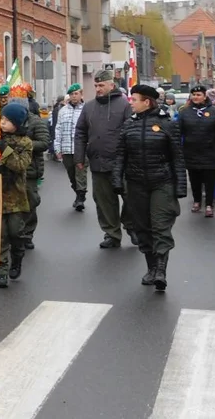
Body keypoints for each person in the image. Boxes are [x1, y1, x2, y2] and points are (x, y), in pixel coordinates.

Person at [112, 85, 187, 292]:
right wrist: (117, 180)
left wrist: (180, 186)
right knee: (142, 227)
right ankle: (151, 267)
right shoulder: (128, 125)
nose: (131, 103)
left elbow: (177, 158)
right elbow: (120, 155)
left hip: (162, 183)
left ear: (147, 102)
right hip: (136, 184)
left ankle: (161, 271)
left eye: (134, 99)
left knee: (160, 226)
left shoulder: (167, 124)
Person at [74, 70, 136, 248]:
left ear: (111, 85)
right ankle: (112, 233)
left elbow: (131, 132)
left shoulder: (124, 105)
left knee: (131, 198)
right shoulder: (89, 107)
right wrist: (79, 157)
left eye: (101, 85)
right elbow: (80, 133)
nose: (98, 89)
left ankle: (131, 226)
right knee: (104, 201)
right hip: (98, 162)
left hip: (122, 164)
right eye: (95, 86)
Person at [0, 102, 33, 288]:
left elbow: (21, 165)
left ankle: (17, 257)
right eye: (1, 119)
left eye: (7, 120)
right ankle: (0, 270)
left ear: (17, 124)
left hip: (16, 197)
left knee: (16, 233)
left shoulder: (25, 142)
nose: (2, 123)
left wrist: (6, 151)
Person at [177, 84, 215, 218]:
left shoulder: (214, 112)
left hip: (210, 152)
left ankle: (209, 204)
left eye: (199, 95)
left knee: (210, 180)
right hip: (191, 152)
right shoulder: (185, 112)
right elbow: (178, 132)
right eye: (193, 95)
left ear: (204, 97)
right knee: (194, 179)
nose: (196, 97)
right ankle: (197, 201)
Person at [20, 99, 49, 250]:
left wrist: (25, 144)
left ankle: (28, 234)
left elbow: (44, 143)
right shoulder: (6, 121)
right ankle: (16, 234)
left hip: (30, 169)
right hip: (12, 170)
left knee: (30, 203)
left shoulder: (36, 122)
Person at [55, 85, 87, 211]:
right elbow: (58, 129)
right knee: (72, 175)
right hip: (67, 148)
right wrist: (57, 148)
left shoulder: (86, 110)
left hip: (81, 149)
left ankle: (80, 198)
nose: (74, 96)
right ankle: (78, 193)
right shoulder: (63, 111)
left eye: (76, 93)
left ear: (81, 95)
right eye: (72, 94)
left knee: (81, 174)